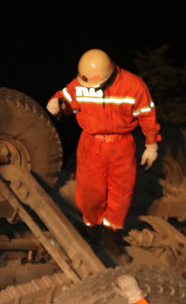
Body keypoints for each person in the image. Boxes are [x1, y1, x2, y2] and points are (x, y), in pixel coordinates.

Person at [46, 49, 161, 258]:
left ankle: (111, 236)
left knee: (121, 194)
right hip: (91, 145)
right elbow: (67, 98)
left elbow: (147, 115)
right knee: (90, 192)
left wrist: (151, 144)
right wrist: (57, 102)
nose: (91, 89)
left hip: (122, 146)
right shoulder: (82, 83)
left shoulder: (133, 85)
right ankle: (92, 229)